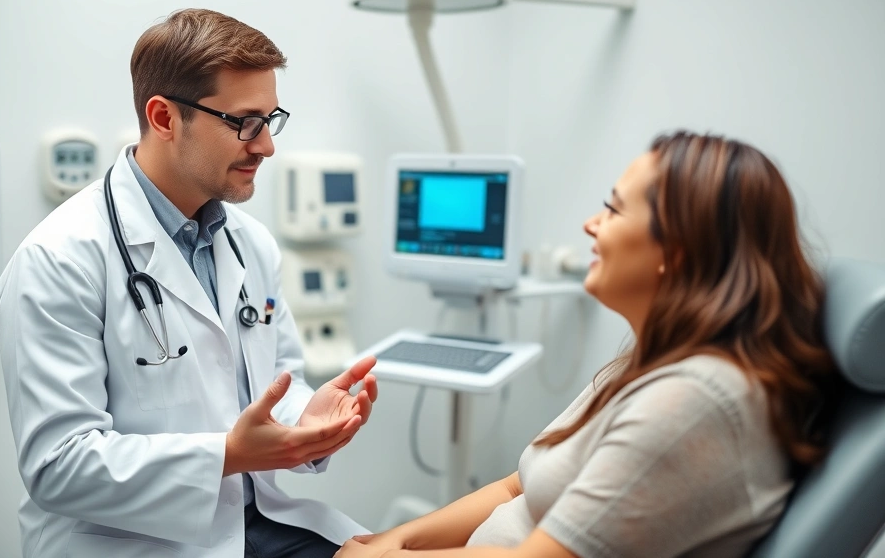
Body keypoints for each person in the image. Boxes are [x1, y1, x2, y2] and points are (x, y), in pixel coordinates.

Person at [336, 131, 840, 558]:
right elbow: (517, 485)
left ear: (677, 251)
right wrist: (395, 540)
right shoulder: (651, 362)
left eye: (613, 210)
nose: (591, 225)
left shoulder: (694, 402)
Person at [0, 8, 378, 558]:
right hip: (131, 544)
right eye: (245, 122)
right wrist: (228, 454)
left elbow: (277, 384)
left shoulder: (251, 244)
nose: (266, 146)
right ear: (164, 118)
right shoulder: (57, 260)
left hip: (252, 522)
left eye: (270, 120)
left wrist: (308, 420)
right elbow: (59, 466)